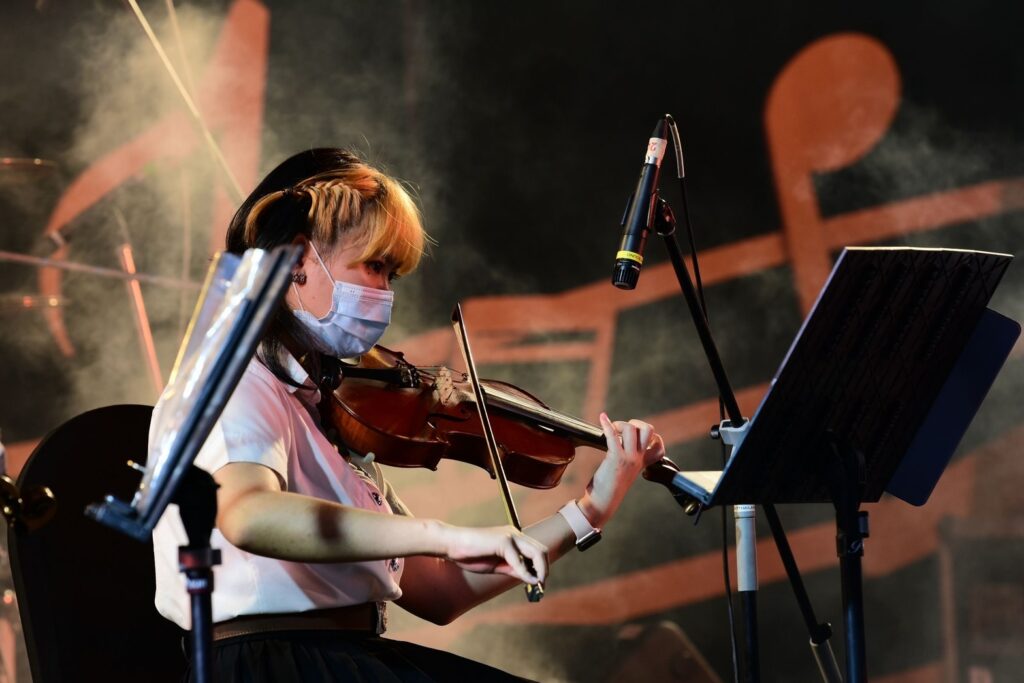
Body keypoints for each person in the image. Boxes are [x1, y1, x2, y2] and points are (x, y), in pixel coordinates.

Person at [151, 148, 666, 682]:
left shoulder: (329, 418)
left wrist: (590, 510)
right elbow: (246, 514)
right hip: (276, 665)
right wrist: (444, 534)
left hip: (346, 656)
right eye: (374, 266)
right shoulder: (233, 378)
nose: (384, 293)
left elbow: (441, 591)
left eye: (392, 275)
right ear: (299, 261)